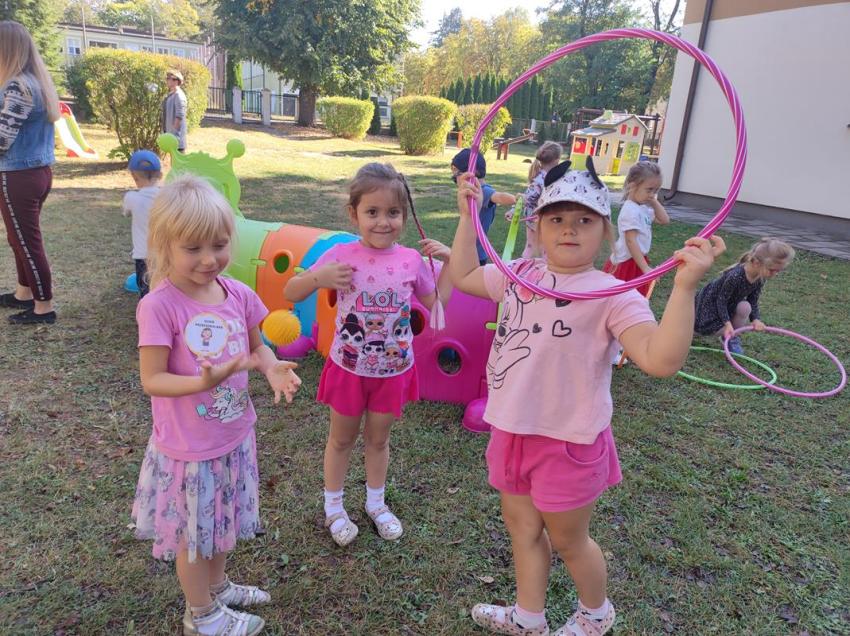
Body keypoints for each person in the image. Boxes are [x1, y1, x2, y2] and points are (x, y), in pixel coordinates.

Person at [449, 160, 725, 636]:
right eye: (557, 218)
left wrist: (683, 289)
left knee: (568, 540)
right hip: (511, 429)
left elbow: (659, 359)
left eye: (584, 219)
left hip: (569, 442)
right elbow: (464, 275)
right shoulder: (520, 274)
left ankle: (596, 616)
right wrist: (465, 218)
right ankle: (528, 617)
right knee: (521, 527)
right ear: (538, 226)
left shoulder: (614, 294)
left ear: (604, 231)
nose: (569, 229)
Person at [132, 176, 301, 636]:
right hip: (189, 449)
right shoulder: (159, 306)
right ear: (164, 245)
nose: (209, 259)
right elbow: (152, 379)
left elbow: (257, 346)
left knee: (223, 521)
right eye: (193, 248)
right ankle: (201, 615)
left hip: (233, 435)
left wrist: (272, 368)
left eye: (220, 245)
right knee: (194, 537)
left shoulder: (238, 294)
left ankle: (218, 587)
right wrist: (201, 382)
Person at [284, 162, 452, 547]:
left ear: (404, 216)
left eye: (393, 212)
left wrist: (450, 262)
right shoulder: (340, 254)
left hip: (392, 371)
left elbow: (437, 304)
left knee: (378, 441)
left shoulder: (411, 260)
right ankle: (334, 507)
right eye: (372, 212)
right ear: (353, 213)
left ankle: (376, 504)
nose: (382, 222)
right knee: (341, 440)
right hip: (349, 368)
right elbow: (292, 291)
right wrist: (318, 278)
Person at [0, 21, 61, 325]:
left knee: (27, 242)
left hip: (18, 175)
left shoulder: (17, 86)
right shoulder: (36, 83)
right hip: (36, 172)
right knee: (19, 238)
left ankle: (43, 308)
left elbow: (2, 139)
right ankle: (24, 293)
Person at [694, 237, 794, 354]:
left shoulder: (759, 276)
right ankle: (692, 330)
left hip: (727, 307)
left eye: (778, 271)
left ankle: (731, 338)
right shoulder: (735, 276)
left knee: (745, 307)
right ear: (756, 263)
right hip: (709, 308)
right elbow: (720, 301)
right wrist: (727, 324)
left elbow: (753, 300)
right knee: (696, 331)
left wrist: (756, 319)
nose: (775, 274)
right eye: (772, 270)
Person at [603, 161, 670, 297]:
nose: (652, 194)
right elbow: (631, 241)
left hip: (637, 259)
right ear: (632, 186)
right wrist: (645, 267)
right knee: (622, 297)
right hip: (626, 262)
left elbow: (664, 220)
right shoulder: (630, 211)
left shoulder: (642, 208)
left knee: (633, 298)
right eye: (649, 190)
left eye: (656, 191)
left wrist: (654, 201)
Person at [451, 148, 516, 265]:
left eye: (457, 173)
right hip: (470, 248)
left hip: (475, 253)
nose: (454, 177)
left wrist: (516, 199)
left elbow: (499, 197)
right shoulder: (475, 191)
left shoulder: (483, 192)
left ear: (472, 173)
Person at [506, 141, 563, 258]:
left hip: (543, 218)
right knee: (536, 247)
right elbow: (526, 198)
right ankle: (529, 266)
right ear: (557, 160)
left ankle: (536, 265)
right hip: (537, 219)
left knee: (538, 247)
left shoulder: (550, 178)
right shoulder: (541, 180)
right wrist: (513, 210)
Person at [122, 149, 162, 298]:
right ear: (160, 175)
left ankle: (147, 311)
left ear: (134, 176)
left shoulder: (131, 198)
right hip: (165, 253)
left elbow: (126, 213)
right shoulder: (166, 197)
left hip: (143, 255)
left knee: (145, 290)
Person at [162, 68, 188, 152]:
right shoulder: (172, 95)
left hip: (176, 139)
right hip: (171, 137)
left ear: (176, 81)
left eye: (169, 78)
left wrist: (173, 136)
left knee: (179, 160)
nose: (167, 80)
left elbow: (179, 116)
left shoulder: (179, 95)